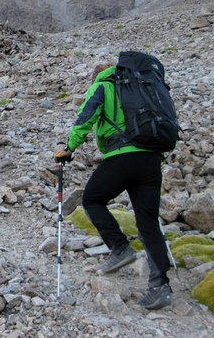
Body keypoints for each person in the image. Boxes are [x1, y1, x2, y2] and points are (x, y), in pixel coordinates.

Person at [54, 63, 172, 310]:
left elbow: (86, 118)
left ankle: (120, 248)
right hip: (151, 160)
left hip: (121, 157)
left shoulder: (102, 86)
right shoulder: (142, 88)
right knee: (148, 223)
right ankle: (160, 286)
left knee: (92, 200)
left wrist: (69, 148)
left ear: (95, 76)